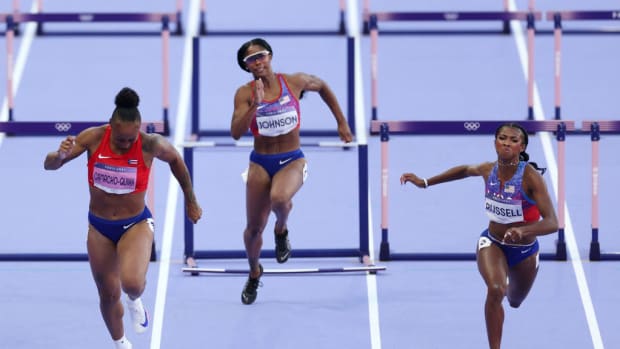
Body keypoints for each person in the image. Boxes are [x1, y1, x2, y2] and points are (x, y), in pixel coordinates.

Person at [44, 87, 202, 349]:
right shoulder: (93, 138)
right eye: (121, 139)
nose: (126, 144)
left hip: (135, 224)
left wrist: (191, 200)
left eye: (131, 140)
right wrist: (59, 155)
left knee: (132, 284)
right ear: (111, 128)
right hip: (99, 227)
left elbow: (176, 161)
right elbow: (49, 165)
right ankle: (120, 343)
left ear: (139, 130)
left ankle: (135, 300)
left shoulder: (151, 144)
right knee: (107, 294)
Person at [400, 123, 558, 349]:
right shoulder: (487, 170)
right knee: (495, 290)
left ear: (521, 146)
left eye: (513, 140)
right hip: (492, 243)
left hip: (524, 250)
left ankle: (522, 278)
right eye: (502, 138)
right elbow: (464, 170)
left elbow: (553, 222)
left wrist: (523, 231)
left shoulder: (530, 178)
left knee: (514, 301)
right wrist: (425, 182)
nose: (507, 143)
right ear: (495, 142)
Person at [231, 38, 353, 305]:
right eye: (251, 60)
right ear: (247, 67)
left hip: (292, 160)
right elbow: (236, 134)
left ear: (270, 56)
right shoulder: (244, 93)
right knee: (252, 230)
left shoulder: (294, 82)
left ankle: (281, 230)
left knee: (279, 198)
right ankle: (254, 273)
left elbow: (322, 87)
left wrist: (341, 123)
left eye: (261, 56)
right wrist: (254, 105)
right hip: (260, 163)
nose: (258, 62)